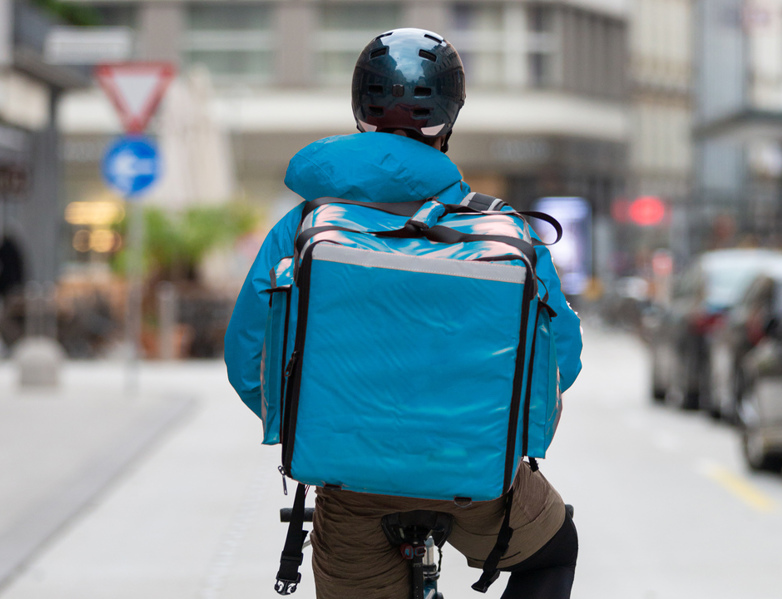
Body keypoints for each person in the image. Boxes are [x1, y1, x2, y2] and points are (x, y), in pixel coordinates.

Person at [224, 28, 583, 599]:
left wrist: (317, 428)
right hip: (478, 478)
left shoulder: (303, 227)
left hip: (348, 479)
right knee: (553, 553)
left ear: (359, 108)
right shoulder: (502, 230)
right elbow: (562, 359)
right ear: (449, 115)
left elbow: (249, 361)